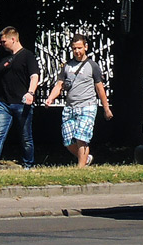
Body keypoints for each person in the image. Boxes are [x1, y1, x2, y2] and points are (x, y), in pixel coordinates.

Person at [44, 34, 113, 167]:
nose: (77, 51)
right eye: (74, 48)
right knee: (68, 141)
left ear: (85, 47)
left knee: (82, 138)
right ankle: (86, 159)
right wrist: (50, 98)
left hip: (87, 105)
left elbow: (100, 88)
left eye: (80, 48)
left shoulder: (92, 66)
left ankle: (80, 169)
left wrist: (106, 108)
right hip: (70, 107)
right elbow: (59, 85)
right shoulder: (67, 66)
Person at [0, 26, 40, 171]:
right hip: (4, 103)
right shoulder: (5, 58)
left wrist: (30, 92)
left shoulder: (27, 56)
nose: (2, 44)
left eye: (4, 41)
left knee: (26, 138)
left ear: (13, 39)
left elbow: (34, 76)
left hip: (22, 104)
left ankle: (28, 164)